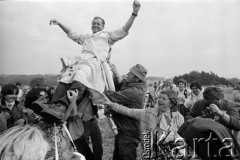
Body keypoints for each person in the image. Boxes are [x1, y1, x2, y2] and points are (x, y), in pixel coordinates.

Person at [99, 89, 184, 159]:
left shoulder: (178, 118)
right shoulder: (148, 113)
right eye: (159, 97)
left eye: (164, 99)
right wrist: (111, 104)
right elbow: (128, 111)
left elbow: (181, 138)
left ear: (172, 103)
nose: (160, 100)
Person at [24, 87, 85, 160]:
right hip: (48, 154)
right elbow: (60, 119)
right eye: (41, 99)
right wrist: (72, 103)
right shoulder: (33, 116)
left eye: (46, 98)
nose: (45, 100)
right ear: (33, 102)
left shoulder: (52, 109)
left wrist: (73, 101)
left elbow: (73, 114)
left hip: (63, 152)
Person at [180, 86, 240, 160]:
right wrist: (195, 120)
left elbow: (238, 124)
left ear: (220, 98)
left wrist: (220, 113)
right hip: (200, 141)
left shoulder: (229, 106)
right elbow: (188, 116)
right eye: (209, 101)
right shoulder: (200, 104)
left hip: (220, 141)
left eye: (217, 100)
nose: (212, 103)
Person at [103, 64, 147, 160]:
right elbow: (124, 85)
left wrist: (94, 86)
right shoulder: (137, 85)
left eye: (130, 74)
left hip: (128, 133)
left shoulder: (134, 92)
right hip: (123, 130)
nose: (127, 74)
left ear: (136, 79)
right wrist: (117, 75)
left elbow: (110, 96)